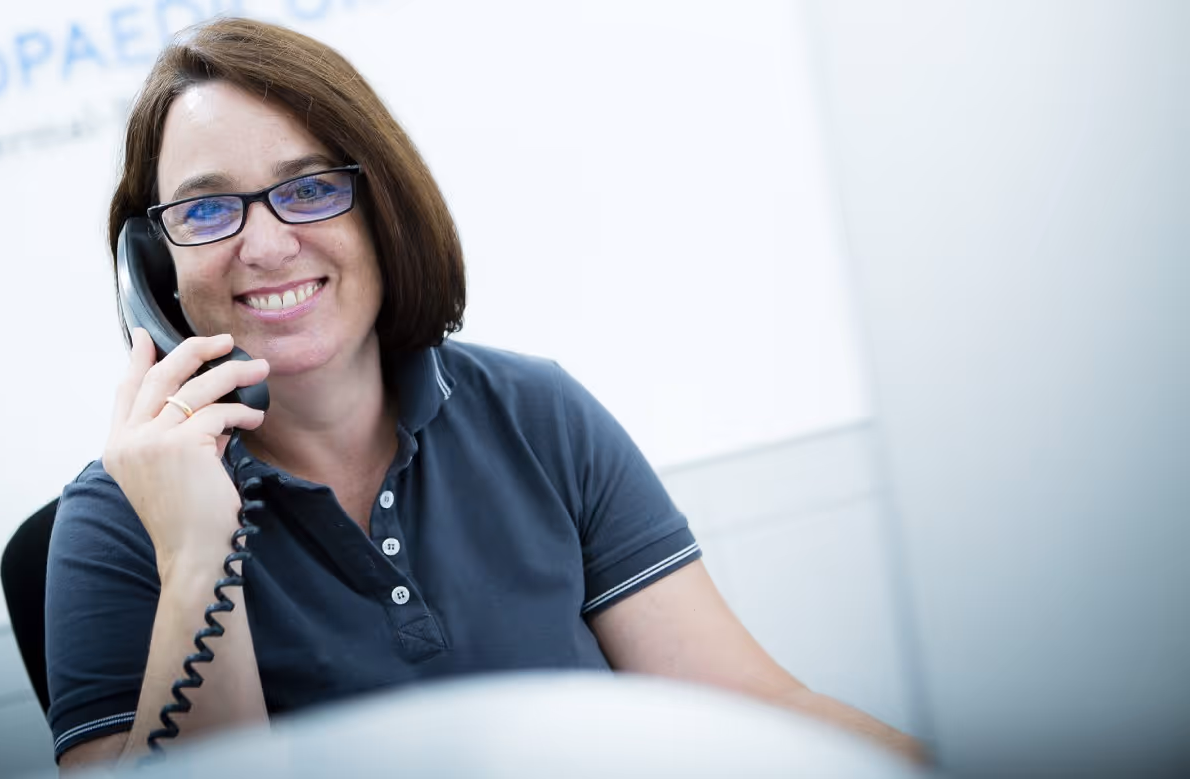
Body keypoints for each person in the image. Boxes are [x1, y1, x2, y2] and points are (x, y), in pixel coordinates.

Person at [45, 16, 924, 772]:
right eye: (205, 210)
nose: (268, 247)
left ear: (382, 208)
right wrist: (196, 552)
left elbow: (754, 707)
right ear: (153, 266)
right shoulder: (114, 520)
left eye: (311, 189)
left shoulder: (535, 413)